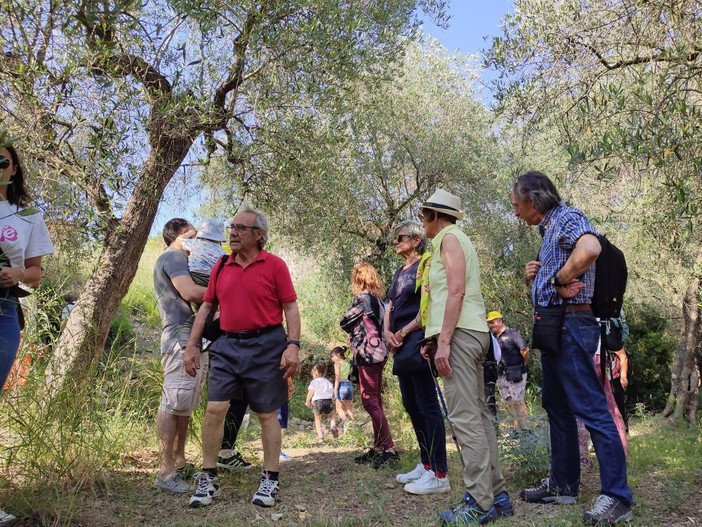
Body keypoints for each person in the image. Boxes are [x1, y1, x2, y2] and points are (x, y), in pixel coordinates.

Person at [513, 171, 633, 525]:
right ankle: (563, 485)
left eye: (516, 205)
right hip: (555, 327)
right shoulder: (549, 228)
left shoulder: (566, 217)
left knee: (592, 409)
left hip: (571, 325)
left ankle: (618, 498)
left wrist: (560, 276)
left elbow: (591, 248)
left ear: (532, 201)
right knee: (556, 405)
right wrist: (538, 274)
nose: (516, 212)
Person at [184, 204, 301, 509]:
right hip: (226, 346)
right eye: (231, 228)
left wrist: (293, 345)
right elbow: (207, 309)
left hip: (266, 347)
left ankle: (270, 479)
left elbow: (290, 307)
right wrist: (192, 345)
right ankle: (208, 477)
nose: (232, 233)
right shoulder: (221, 266)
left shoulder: (275, 265)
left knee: (265, 413)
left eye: (240, 228)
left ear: (259, 234)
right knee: (215, 409)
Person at [415, 189, 511, 525]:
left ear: (434, 215)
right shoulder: (457, 238)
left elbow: (456, 290)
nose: (421, 221)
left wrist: (443, 342)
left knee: (465, 420)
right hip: (468, 333)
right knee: (479, 418)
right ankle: (497, 495)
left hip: (460, 336)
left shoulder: (449, 238)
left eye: (423, 214)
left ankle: (478, 502)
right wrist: (435, 338)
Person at [0, 144, 54, 524]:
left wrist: (16, 274)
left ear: (15, 169)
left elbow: (35, 273)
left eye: (2, 160)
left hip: (4, 308)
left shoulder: (28, 214)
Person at [383, 220, 450, 495]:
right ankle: (425, 464)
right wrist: (388, 332)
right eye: (395, 239)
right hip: (399, 343)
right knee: (411, 403)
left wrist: (403, 330)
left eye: (400, 238)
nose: (395, 243)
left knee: (427, 404)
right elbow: (389, 304)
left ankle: (440, 472)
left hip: (418, 340)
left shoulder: (426, 264)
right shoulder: (400, 271)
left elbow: (428, 304)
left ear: (416, 239)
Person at [153, 218, 208, 493]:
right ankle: (165, 471)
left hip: (193, 337)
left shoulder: (182, 260)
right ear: (180, 235)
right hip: (179, 337)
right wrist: (228, 291)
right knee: (173, 399)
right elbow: (189, 291)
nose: (197, 241)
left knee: (184, 402)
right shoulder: (174, 256)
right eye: (193, 235)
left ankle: (180, 461)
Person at [340, 262, 398, 469]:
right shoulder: (379, 301)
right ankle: (379, 447)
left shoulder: (363, 299)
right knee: (375, 400)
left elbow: (344, 321)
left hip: (368, 353)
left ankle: (389, 448)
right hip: (379, 352)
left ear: (359, 278)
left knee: (369, 401)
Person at [486, 311, 531, 431]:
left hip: (516, 373)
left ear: (499, 321)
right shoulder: (493, 338)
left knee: (519, 401)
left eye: (492, 322)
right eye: (489, 323)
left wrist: (522, 363)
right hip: (501, 375)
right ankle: (516, 429)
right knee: (509, 402)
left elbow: (525, 349)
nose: (490, 325)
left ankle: (526, 429)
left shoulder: (512, 334)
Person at [180, 218, 227, 286]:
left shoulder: (196, 243)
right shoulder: (222, 252)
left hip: (196, 275)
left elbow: (180, 240)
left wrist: (191, 232)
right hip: (213, 278)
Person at [305, 362, 338, 443]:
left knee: (318, 419)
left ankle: (320, 437)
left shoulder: (314, 382)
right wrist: (333, 398)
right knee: (332, 414)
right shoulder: (328, 382)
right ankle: (333, 426)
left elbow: (311, 392)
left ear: (315, 372)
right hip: (328, 401)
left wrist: (307, 400)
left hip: (317, 401)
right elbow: (333, 394)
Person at [330, 345, 354, 432]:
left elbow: (337, 378)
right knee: (348, 409)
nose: (332, 358)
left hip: (341, 385)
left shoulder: (337, 364)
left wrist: (334, 390)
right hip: (349, 385)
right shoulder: (347, 363)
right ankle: (352, 428)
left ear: (338, 354)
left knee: (338, 408)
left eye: (333, 356)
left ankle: (346, 422)